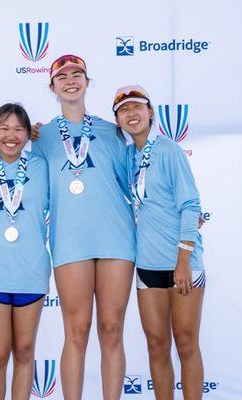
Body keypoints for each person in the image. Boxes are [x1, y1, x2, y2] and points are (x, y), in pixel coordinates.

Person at [30, 54, 136, 400]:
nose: (71, 80)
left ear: (88, 82)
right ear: (52, 87)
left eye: (77, 74)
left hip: (116, 241)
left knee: (111, 330)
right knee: (75, 331)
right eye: (62, 76)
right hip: (70, 242)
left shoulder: (112, 131)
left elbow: (134, 186)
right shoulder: (41, 135)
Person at [113, 85, 205, 400]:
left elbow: (191, 206)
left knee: (186, 342)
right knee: (156, 344)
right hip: (147, 265)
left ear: (151, 112)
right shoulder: (127, 156)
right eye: (124, 110)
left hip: (182, 263)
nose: (131, 114)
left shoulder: (168, 150)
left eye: (137, 107)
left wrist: (183, 260)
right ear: (118, 120)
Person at [0, 103, 51, 400]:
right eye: (4, 128)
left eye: (19, 129)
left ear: (28, 134)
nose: (11, 135)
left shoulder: (40, 165)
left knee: (25, 351)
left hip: (31, 269)